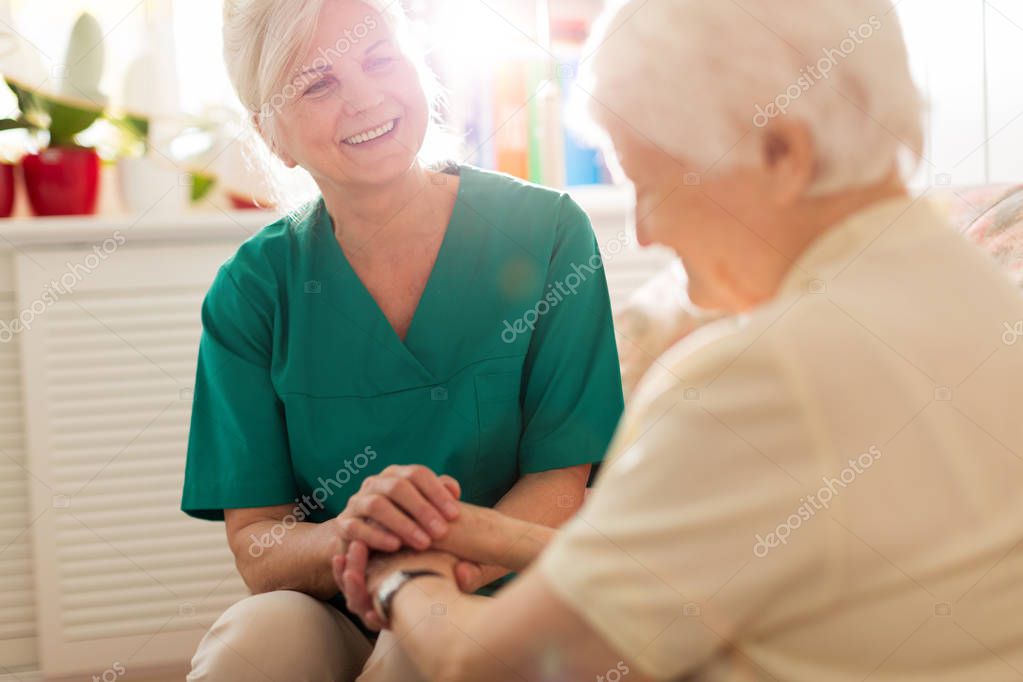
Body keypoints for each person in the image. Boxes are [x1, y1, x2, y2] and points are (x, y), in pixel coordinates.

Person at [333, 0, 1023, 679]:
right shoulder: (971, 288)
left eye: (648, 182)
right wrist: (472, 530)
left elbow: (486, 664)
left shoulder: (763, 376)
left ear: (781, 151)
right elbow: (694, 554)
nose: (643, 231)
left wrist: (405, 579)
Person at [181, 1, 624, 679]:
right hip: (340, 601)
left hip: (511, 596)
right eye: (317, 84)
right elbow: (257, 544)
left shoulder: (548, 233)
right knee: (253, 644)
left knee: (417, 647)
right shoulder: (251, 290)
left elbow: (561, 484)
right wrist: (351, 537)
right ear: (272, 135)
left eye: (379, 58)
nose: (363, 97)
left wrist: (419, 581)